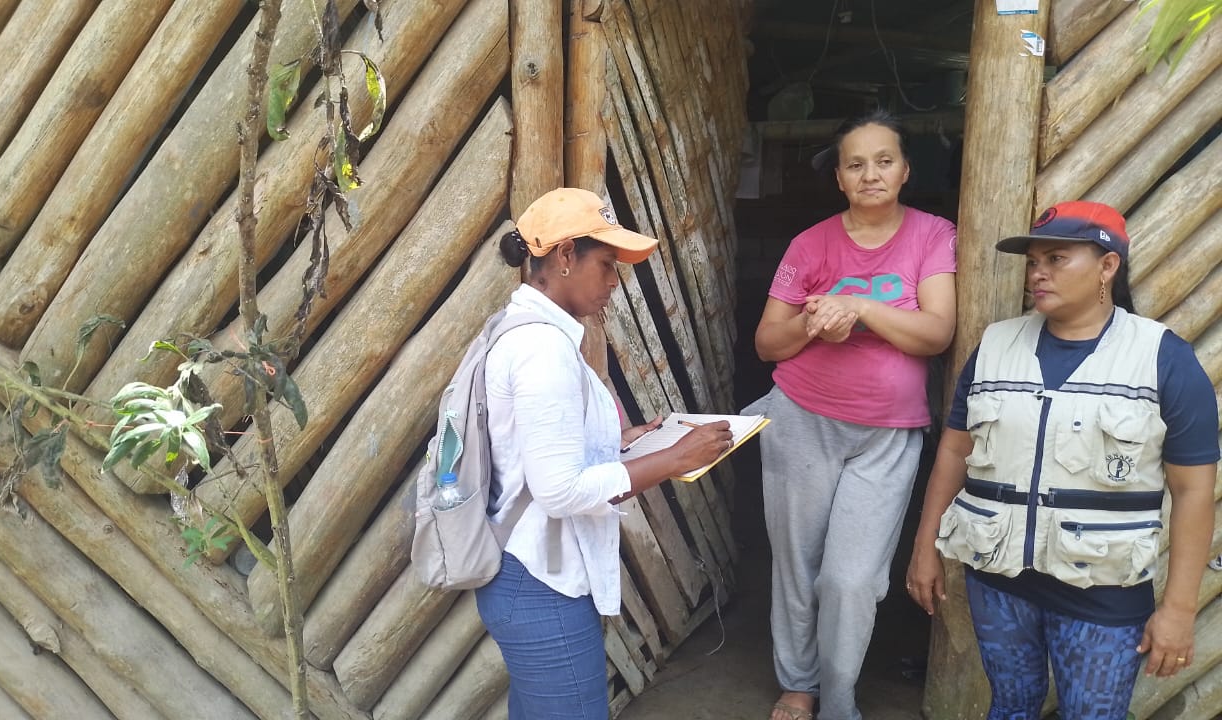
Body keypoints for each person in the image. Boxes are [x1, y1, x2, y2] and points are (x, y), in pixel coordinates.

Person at [905, 201, 1218, 719]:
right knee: (1011, 706)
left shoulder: (1162, 357)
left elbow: (1193, 490)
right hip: (998, 579)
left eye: (1056, 259)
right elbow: (956, 451)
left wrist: (1180, 609)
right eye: (1033, 261)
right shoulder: (996, 346)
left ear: (1108, 265)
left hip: (1104, 592)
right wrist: (925, 546)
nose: (1038, 273)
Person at [480, 187, 734, 719]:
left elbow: (534, 450)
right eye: (607, 265)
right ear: (565, 255)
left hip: (526, 576)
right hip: (541, 582)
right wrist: (673, 459)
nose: (615, 282)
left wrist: (623, 442)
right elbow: (558, 490)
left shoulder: (529, 333)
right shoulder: (541, 350)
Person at [748, 109, 958, 720]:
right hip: (802, 418)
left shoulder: (932, 235)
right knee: (798, 563)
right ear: (839, 177)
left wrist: (858, 306)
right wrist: (815, 324)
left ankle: (838, 700)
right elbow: (767, 343)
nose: (871, 174)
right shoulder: (810, 244)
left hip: (888, 435)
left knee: (853, 579)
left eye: (884, 161)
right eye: (856, 164)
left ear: (906, 170)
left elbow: (936, 332)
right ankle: (799, 683)